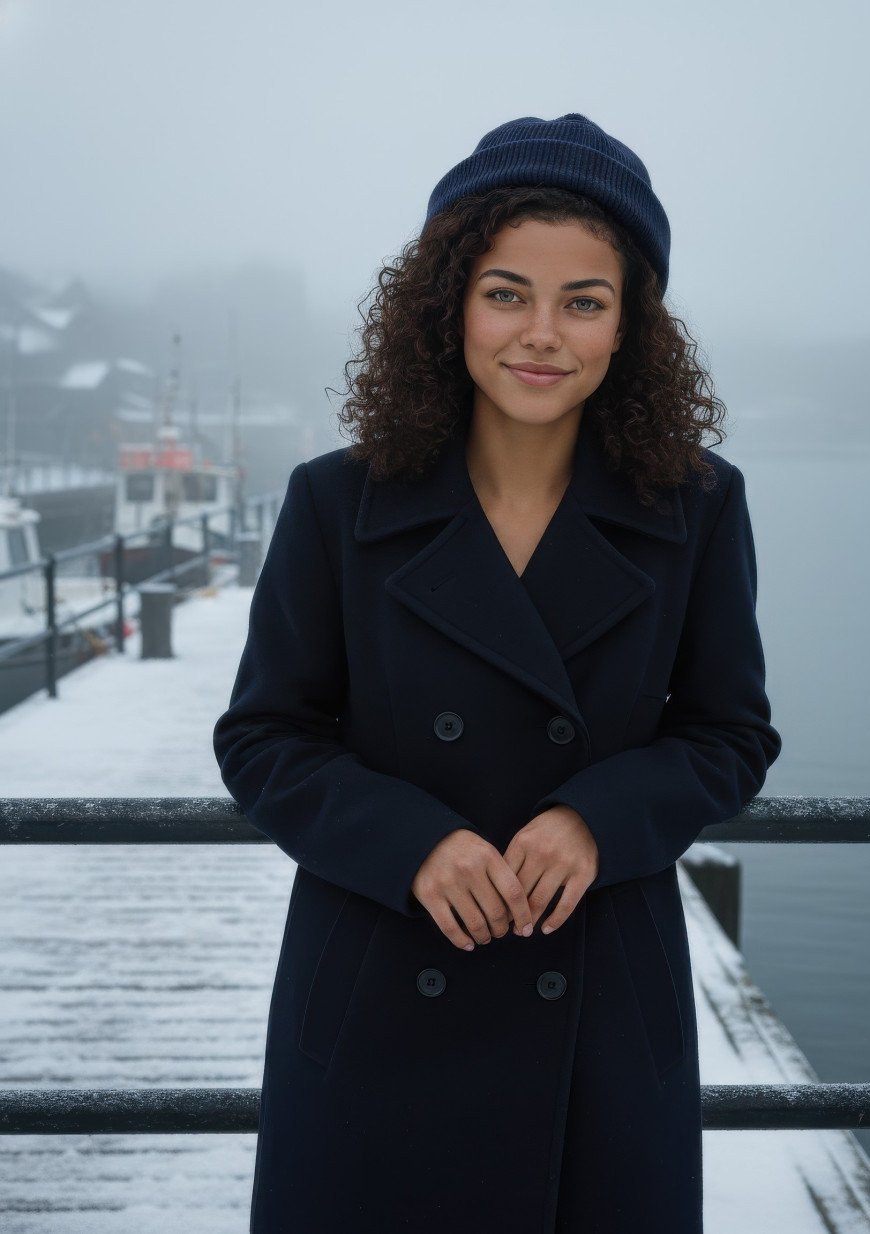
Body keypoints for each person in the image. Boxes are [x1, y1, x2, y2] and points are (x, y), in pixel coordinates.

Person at [213, 111, 782, 1234]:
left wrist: (599, 817)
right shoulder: (337, 500)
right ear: (449, 306)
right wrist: (409, 838)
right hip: (379, 986)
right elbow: (263, 737)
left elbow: (732, 733)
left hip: (601, 1014)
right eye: (507, 291)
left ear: (630, 327)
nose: (542, 334)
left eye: (585, 301)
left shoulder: (699, 505)